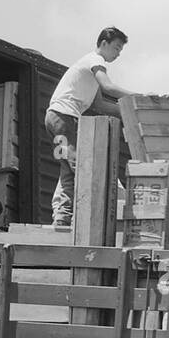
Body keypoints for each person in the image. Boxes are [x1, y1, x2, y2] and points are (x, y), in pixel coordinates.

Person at [46, 27, 136, 227]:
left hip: (54, 120)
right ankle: (97, 216)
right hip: (64, 119)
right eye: (116, 48)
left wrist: (129, 111)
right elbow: (108, 87)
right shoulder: (96, 60)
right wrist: (138, 98)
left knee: (68, 168)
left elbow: (99, 105)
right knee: (82, 168)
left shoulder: (88, 65)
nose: (118, 53)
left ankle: (62, 217)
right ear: (104, 43)